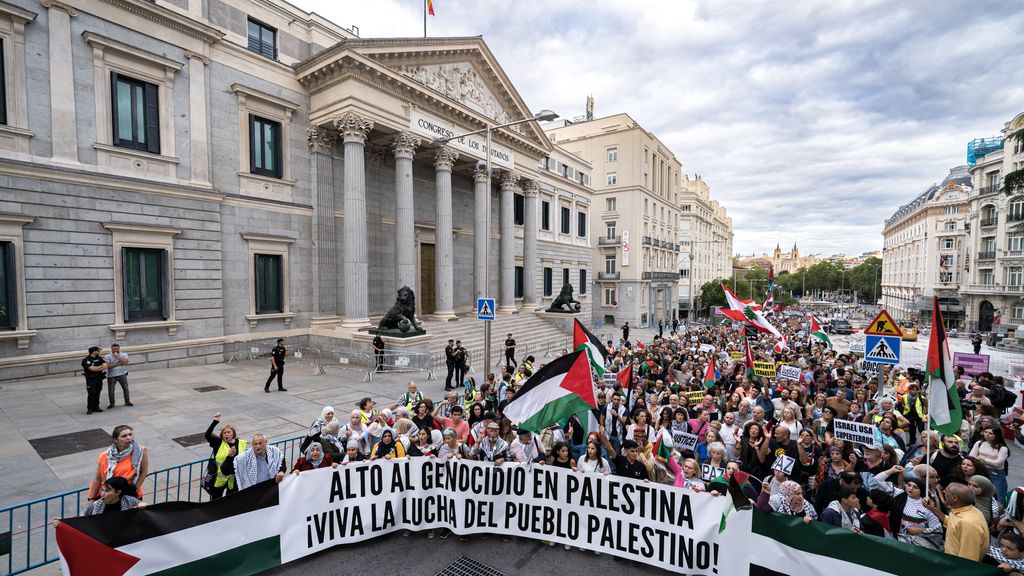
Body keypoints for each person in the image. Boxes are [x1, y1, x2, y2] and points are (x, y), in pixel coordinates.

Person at [923, 481, 989, 561]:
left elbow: (968, 560)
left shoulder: (968, 524)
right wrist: (932, 508)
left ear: (955, 498)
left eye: (946, 491)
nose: (943, 491)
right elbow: (950, 522)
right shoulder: (965, 510)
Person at [88, 425, 149, 501]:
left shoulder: (140, 451)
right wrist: (91, 498)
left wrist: (135, 490)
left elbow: (144, 472)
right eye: (124, 436)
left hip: (130, 495)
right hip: (109, 497)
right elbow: (97, 479)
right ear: (115, 440)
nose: (129, 438)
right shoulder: (104, 456)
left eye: (130, 434)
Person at [204, 412, 246, 500]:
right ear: (222, 435)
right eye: (224, 433)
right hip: (219, 478)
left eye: (229, 432)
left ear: (233, 434)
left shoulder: (241, 443)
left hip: (234, 478)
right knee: (216, 500)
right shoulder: (218, 443)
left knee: (230, 501)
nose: (226, 434)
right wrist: (215, 421)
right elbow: (207, 435)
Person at [970, 426, 1009, 502]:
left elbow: (997, 464)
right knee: (977, 495)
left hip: (996, 474)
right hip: (980, 471)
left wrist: (983, 459)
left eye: (990, 433)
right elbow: (971, 456)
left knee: (998, 497)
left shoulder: (1002, 448)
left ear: (996, 435)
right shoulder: (979, 443)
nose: (987, 434)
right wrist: (981, 460)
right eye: (985, 432)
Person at [104, 343, 131, 408]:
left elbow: (126, 362)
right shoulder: (107, 356)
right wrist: (120, 363)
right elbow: (109, 366)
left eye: (116, 348)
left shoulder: (124, 354)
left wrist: (117, 357)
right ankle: (112, 404)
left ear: (119, 348)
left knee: (125, 389)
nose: (115, 350)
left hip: (122, 374)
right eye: (113, 349)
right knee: (111, 390)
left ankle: (127, 402)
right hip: (111, 376)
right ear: (111, 349)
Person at [82, 346, 107, 414]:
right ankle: (90, 408)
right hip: (91, 379)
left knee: (97, 392)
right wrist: (100, 367)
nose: (99, 352)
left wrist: (97, 368)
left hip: (99, 378)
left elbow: (105, 365)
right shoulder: (86, 360)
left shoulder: (99, 358)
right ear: (93, 352)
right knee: (91, 393)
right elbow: (92, 369)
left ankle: (96, 407)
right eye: (98, 351)